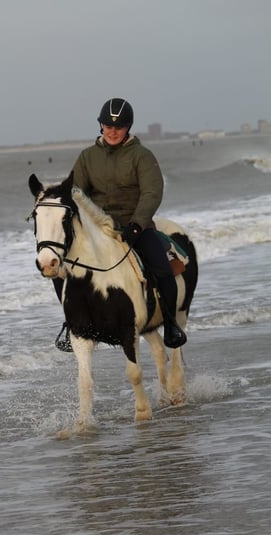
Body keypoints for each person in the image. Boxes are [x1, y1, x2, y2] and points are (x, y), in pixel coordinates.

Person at [52, 97, 187, 351]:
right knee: (60, 268)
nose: (113, 131)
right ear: (101, 126)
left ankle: (170, 324)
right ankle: (71, 322)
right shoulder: (87, 157)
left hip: (135, 227)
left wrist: (137, 225)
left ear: (128, 128)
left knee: (162, 269)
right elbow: (76, 193)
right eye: (108, 126)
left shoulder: (142, 156)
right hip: (98, 230)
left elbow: (152, 193)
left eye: (119, 127)